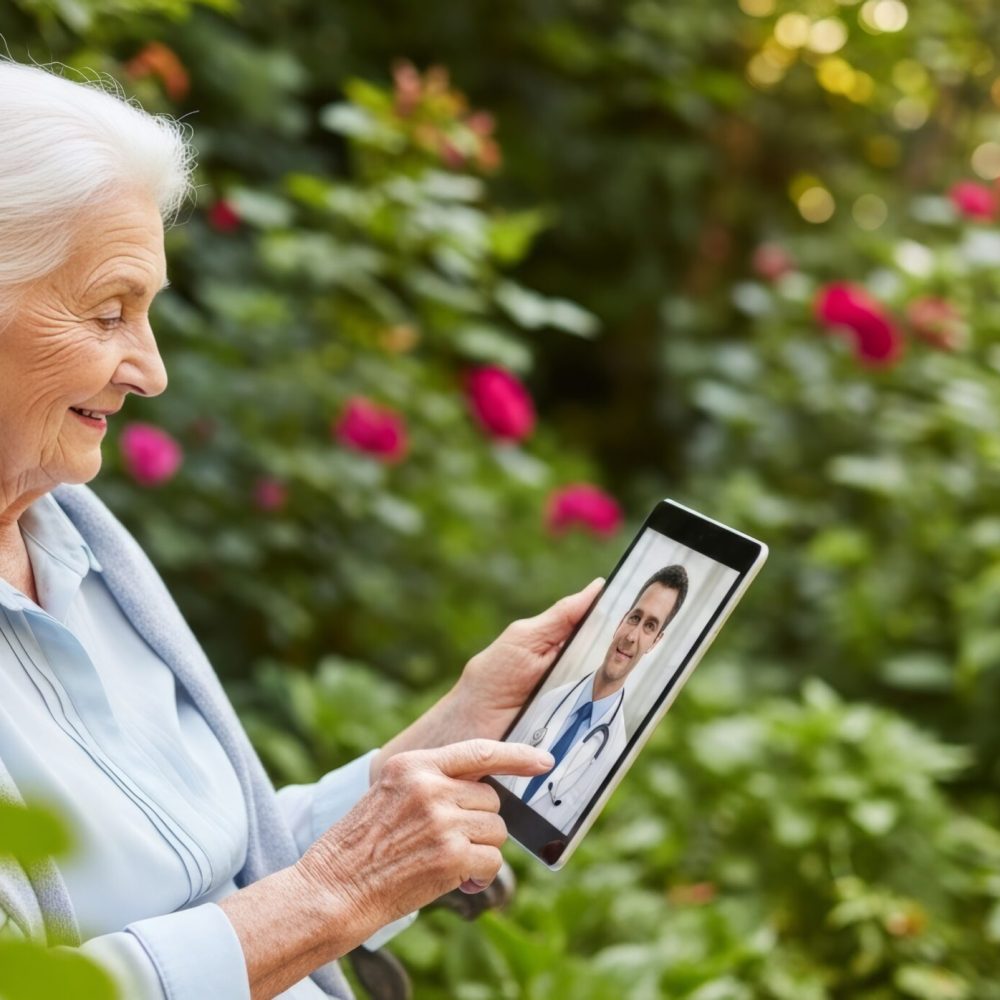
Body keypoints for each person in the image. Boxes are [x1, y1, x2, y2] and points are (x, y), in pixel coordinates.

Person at [0, 59, 605, 1000]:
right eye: (109, 312)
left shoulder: (75, 540)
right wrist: (338, 893)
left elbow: (224, 874)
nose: (150, 371)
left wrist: (443, 742)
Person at [501, 565, 689, 831]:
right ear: (621, 620)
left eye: (649, 626)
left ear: (656, 642)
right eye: (635, 618)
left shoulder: (616, 753)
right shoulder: (545, 700)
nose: (632, 637)